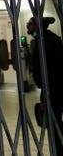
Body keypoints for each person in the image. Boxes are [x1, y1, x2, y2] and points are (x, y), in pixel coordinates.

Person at [27, 16, 63, 154]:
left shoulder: (47, 42)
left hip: (53, 90)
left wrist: (47, 96)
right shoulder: (45, 39)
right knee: (54, 122)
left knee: (54, 123)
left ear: (38, 26)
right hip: (51, 89)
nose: (28, 27)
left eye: (30, 25)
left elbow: (53, 69)